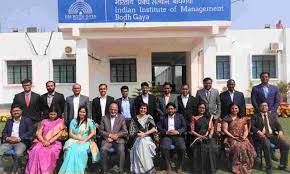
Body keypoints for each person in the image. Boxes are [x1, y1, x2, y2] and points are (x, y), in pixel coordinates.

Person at [251, 102, 290, 174]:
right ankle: (269, 167)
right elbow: (252, 127)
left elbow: (278, 126)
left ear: (268, 107)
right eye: (262, 106)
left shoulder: (271, 116)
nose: (264, 107)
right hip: (261, 137)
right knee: (267, 145)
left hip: (272, 136)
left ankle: (283, 165)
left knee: (286, 144)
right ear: (259, 107)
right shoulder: (255, 116)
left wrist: (280, 131)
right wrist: (258, 131)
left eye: (266, 105)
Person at [25, 105, 66, 174]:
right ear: (48, 113)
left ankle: (46, 172)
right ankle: (34, 171)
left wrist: (49, 142)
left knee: (50, 152)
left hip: (55, 143)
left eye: (54, 114)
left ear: (57, 114)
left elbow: (58, 134)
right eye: (51, 114)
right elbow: (38, 133)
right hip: (42, 141)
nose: (52, 116)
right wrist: (43, 141)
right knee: (35, 150)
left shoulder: (60, 122)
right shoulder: (44, 121)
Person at [59, 106, 98, 174]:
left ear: (86, 113)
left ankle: (78, 170)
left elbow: (92, 133)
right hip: (74, 139)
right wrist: (79, 139)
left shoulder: (89, 121)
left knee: (79, 151)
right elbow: (70, 134)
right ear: (78, 112)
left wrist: (84, 140)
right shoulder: (73, 121)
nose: (82, 113)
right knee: (70, 149)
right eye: (80, 112)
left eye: (83, 112)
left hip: (86, 141)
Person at [0, 105, 35, 173]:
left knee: (18, 153)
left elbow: (30, 132)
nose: (16, 112)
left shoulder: (27, 120)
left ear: (21, 111)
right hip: (9, 142)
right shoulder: (9, 121)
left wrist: (19, 138)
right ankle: (1, 169)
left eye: (17, 110)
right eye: (14, 111)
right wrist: (7, 137)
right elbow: (4, 132)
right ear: (12, 112)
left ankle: (15, 170)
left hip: (21, 142)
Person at [222, 104, 256, 174]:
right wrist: (233, 137)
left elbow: (246, 130)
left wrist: (244, 136)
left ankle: (246, 166)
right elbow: (225, 130)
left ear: (238, 109)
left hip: (242, 138)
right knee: (238, 146)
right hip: (231, 138)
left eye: (236, 108)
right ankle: (236, 167)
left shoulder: (242, 118)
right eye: (232, 108)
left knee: (246, 145)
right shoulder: (227, 118)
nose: (234, 110)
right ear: (230, 109)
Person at [157, 102, 186, 174]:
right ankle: (168, 166)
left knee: (182, 148)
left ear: (175, 109)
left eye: (172, 109)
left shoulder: (180, 116)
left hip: (177, 136)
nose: (170, 110)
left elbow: (184, 127)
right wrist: (166, 132)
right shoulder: (163, 117)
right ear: (167, 110)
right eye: (169, 109)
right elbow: (159, 126)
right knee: (164, 147)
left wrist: (177, 131)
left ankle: (179, 166)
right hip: (167, 136)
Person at [99, 103, 128, 174]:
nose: (113, 111)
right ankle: (104, 171)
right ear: (109, 110)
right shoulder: (104, 118)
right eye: (111, 109)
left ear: (117, 110)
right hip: (107, 140)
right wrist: (110, 135)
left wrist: (116, 135)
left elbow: (125, 131)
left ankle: (121, 170)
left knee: (121, 150)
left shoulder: (121, 117)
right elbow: (100, 131)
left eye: (115, 109)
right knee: (103, 149)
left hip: (118, 140)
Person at [189, 103, 218, 174]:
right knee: (202, 148)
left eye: (203, 108)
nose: (202, 109)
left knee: (212, 148)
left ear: (205, 109)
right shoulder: (194, 118)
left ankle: (210, 169)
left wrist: (210, 135)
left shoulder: (208, 118)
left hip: (208, 137)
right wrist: (201, 136)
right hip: (198, 138)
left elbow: (212, 128)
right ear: (197, 108)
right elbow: (192, 131)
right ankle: (200, 170)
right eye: (200, 107)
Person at [129, 103, 157, 174]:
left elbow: (154, 129)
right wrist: (139, 134)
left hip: (148, 138)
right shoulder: (134, 119)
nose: (143, 110)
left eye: (144, 108)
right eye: (141, 108)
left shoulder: (149, 117)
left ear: (147, 110)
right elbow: (131, 132)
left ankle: (146, 168)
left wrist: (144, 134)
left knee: (143, 142)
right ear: (139, 109)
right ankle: (144, 169)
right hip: (137, 138)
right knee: (141, 142)